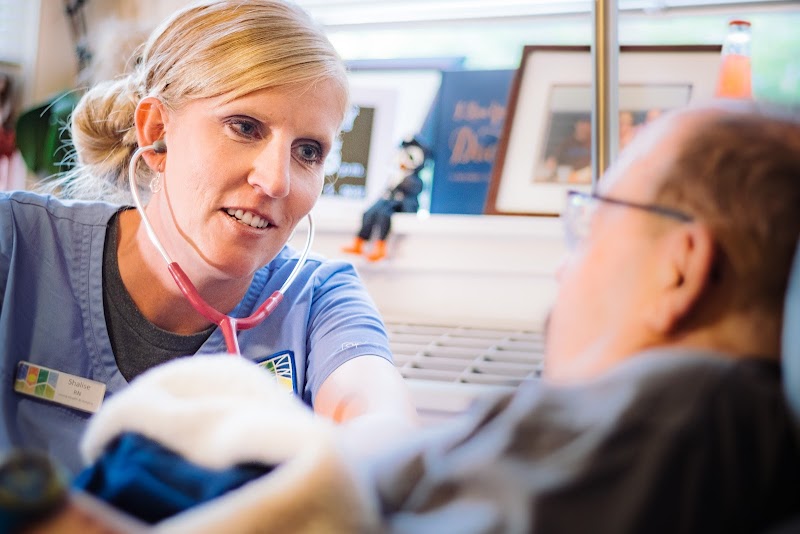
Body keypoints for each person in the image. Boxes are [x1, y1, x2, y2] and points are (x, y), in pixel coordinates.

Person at [0, 0, 417, 478]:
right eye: (245, 127)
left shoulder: (319, 299)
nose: (276, 181)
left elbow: (376, 415)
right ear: (157, 132)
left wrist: (380, 452)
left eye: (308, 151)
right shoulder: (15, 245)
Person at [366, 100, 800, 532]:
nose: (563, 267)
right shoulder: (757, 432)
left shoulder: (661, 421)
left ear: (680, 269)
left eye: (592, 223)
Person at [341, 137, 428, 262]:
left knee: (383, 214)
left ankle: (381, 247)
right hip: (389, 201)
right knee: (370, 211)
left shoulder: (414, 180)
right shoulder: (397, 175)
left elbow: (409, 193)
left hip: (401, 205)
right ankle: (359, 243)